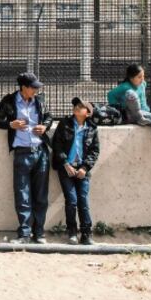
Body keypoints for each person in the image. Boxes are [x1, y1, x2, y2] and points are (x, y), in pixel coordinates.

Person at [0, 72, 53, 244]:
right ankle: (24, 234)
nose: (36, 90)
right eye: (33, 87)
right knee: (22, 195)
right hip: (22, 153)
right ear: (24, 87)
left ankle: (39, 233)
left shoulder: (39, 101)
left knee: (41, 195)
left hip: (41, 152)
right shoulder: (9, 101)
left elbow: (49, 116)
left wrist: (44, 126)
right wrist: (10, 124)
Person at [51, 98, 100, 245]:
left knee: (83, 202)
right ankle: (72, 232)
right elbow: (57, 145)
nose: (77, 108)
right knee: (71, 201)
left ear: (88, 113)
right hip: (66, 168)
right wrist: (65, 163)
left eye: (81, 106)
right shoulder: (64, 124)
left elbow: (94, 151)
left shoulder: (92, 128)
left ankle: (86, 234)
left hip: (82, 169)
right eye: (76, 106)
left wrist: (85, 168)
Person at [107, 63, 151, 155]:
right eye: (139, 77)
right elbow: (110, 94)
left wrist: (147, 112)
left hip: (143, 114)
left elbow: (143, 99)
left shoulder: (143, 84)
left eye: (143, 76)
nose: (142, 79)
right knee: (131, 94)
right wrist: (117, 108)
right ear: (131, 78)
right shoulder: (125, 86)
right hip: (129, 114)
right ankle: (139, 118)